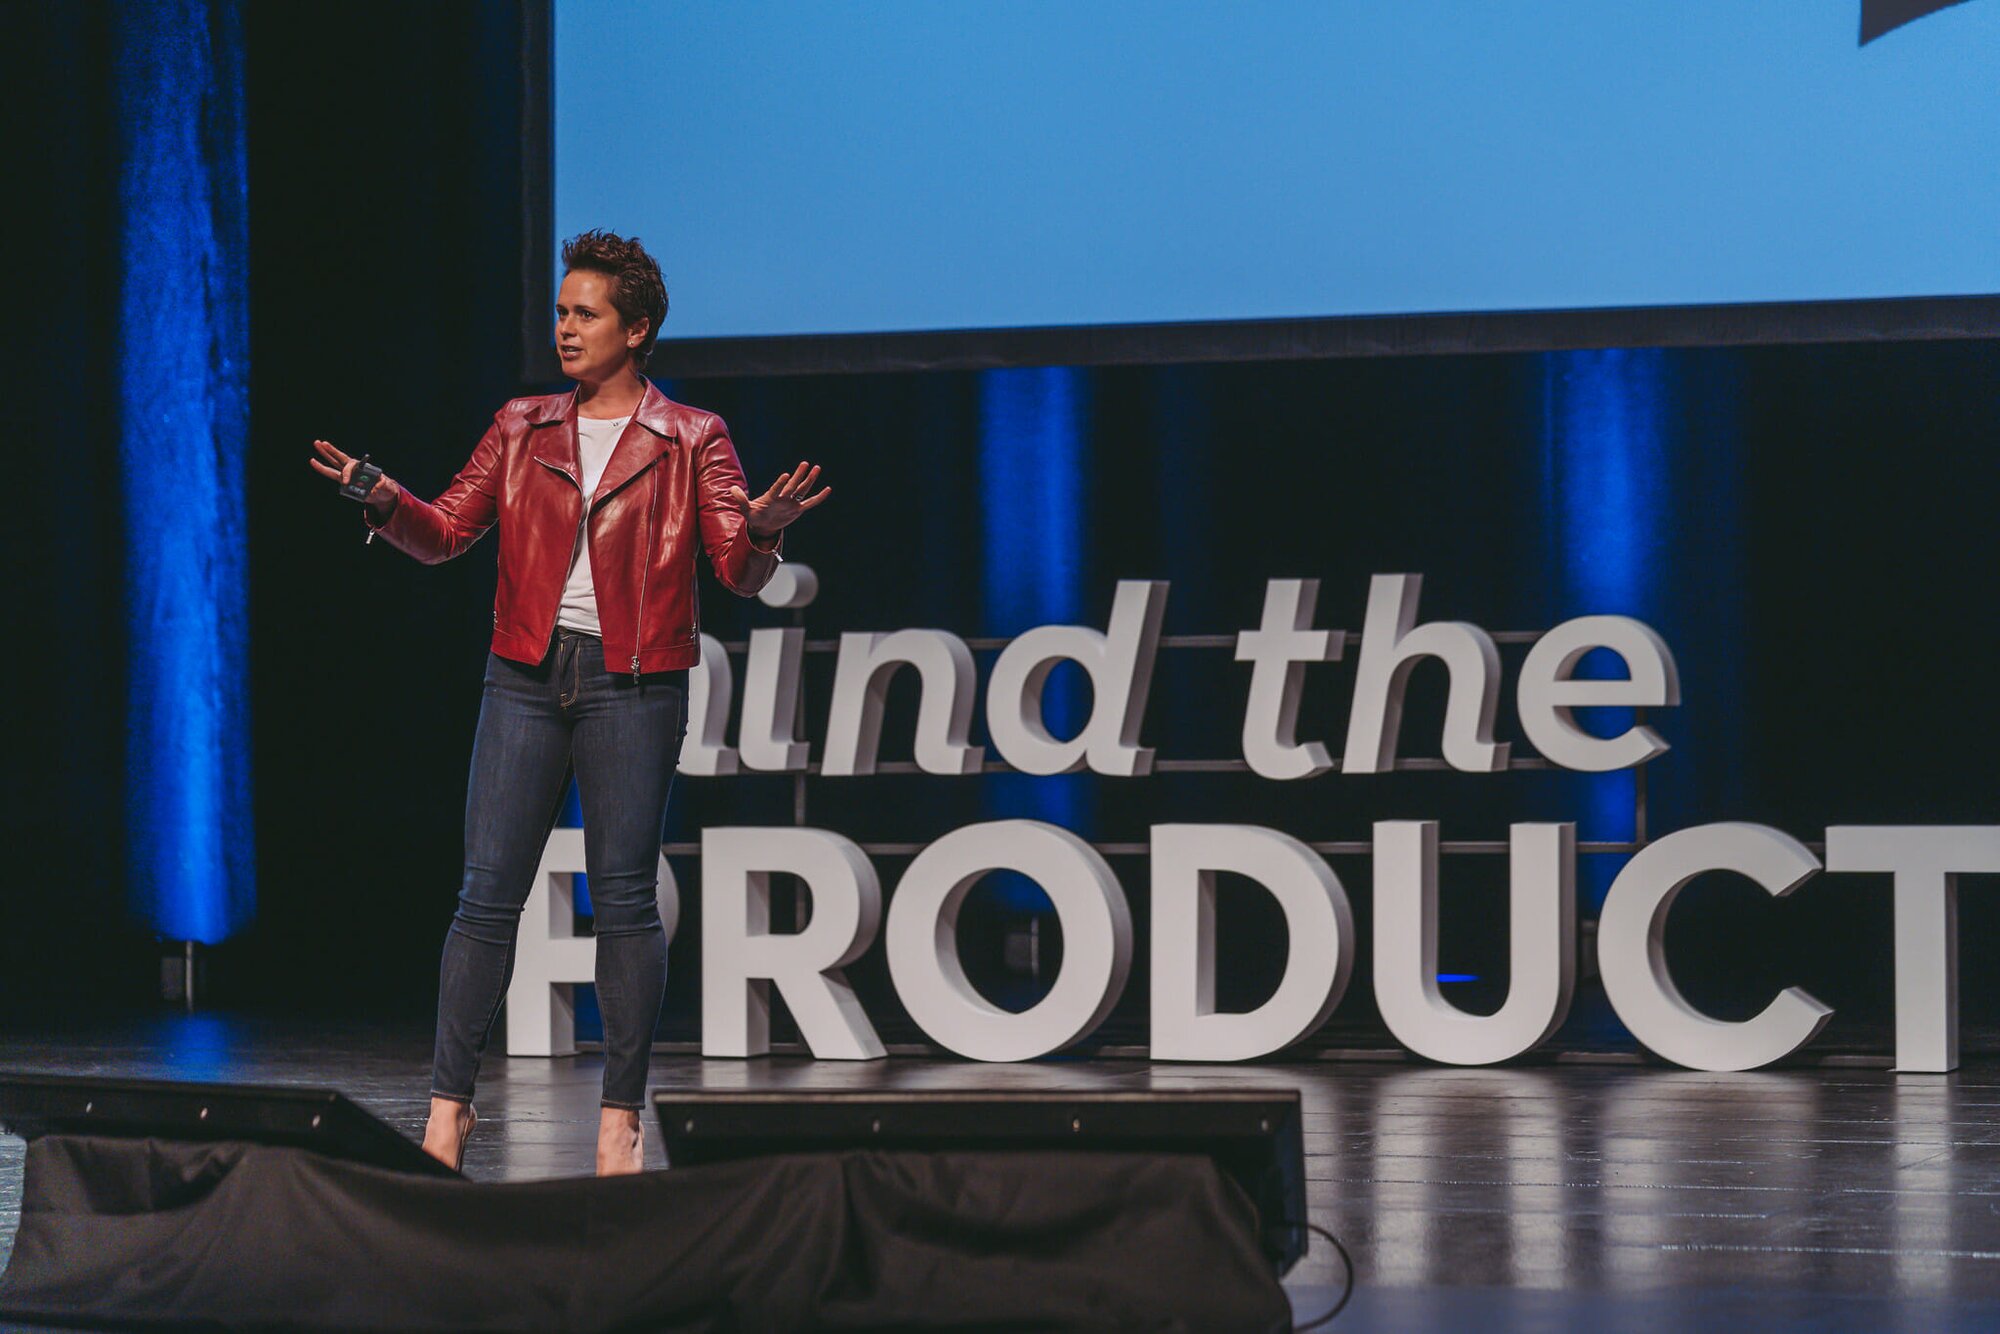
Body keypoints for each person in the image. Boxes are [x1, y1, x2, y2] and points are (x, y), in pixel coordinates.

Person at [308, 231, 828, 1174]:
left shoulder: (693, 437)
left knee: (625, 901)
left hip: (634, 684)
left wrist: (761, 531)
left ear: (637, 330)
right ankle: (446, 1110)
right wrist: (384, 499)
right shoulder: (522, 427)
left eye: (585, 314)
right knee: (484, 897)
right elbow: (445, 534)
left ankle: (619, 1120)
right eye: (560, 312)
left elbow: (735, 572)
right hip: (524, 677)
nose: (566, 329)